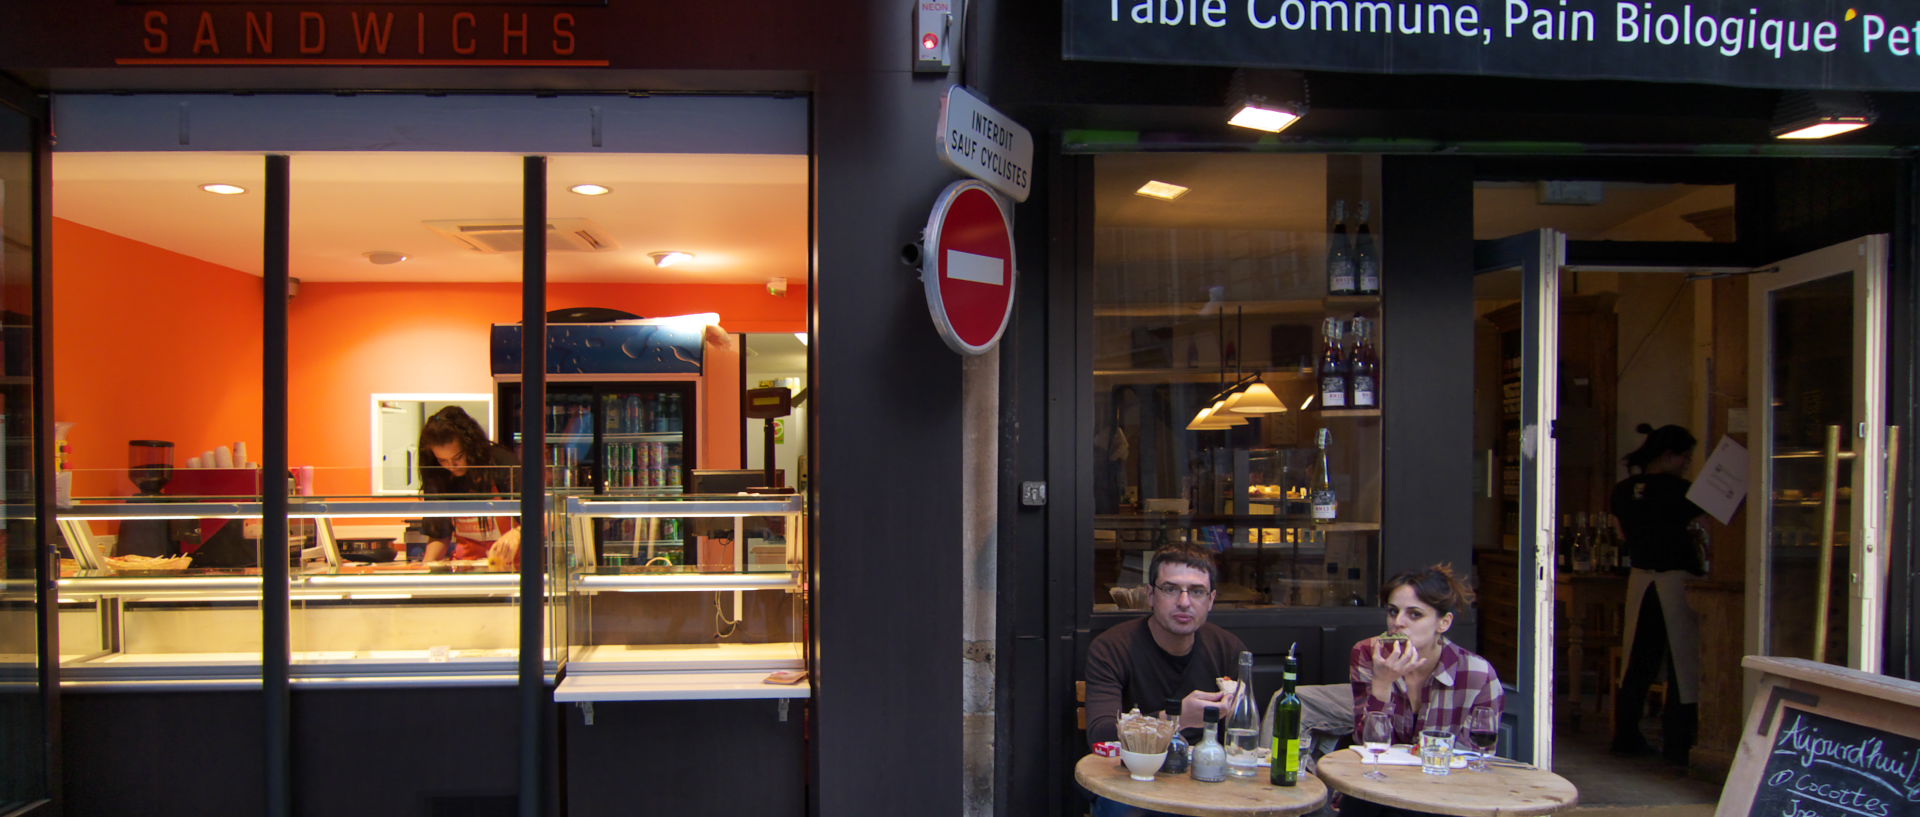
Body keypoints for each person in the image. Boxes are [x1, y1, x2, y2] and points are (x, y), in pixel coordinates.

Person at [1084, 545, 1245, 817]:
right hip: (1134, 780)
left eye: (1196, 591)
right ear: (1150, 595)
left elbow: (1245, 737)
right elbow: (1101, 735)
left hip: (1206, 778)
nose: (1184, 602)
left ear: (1211, 599)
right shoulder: (1112, 648)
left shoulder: (1228, 648)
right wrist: (1174, 719)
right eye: (1170, 589)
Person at [1342, 565, 1504, 817]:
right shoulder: (1368, 653)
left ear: (1444, 622)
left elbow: (1478, 758)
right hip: (1381, 787)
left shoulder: (1477, 674)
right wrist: (1383, 683)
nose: (1398, 623)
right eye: (1393, 612)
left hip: (1444, 793)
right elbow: (1367, 743)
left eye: (1414, 615)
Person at [1609, 422, 1704, 764]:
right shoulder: (1682, 493)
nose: (1687, 463)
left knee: (1638, 659)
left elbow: (1622, 533)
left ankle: (1626, 734)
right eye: (1685, 456)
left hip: (1640, 576)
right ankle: (1679, 741)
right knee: (1683, 660)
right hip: (1676, 578)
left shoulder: (1622, 491)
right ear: (1669, 455)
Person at [417, 405, 523, 565]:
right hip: (467, 568)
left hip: (513, 569)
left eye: (458, 457)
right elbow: (440, 534)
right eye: (443, 461)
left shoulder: (501, 463)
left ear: (470, 447)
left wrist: (517, 533)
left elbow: (545, 517)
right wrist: (426, 567)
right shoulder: (440, 476)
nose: (452, 466)